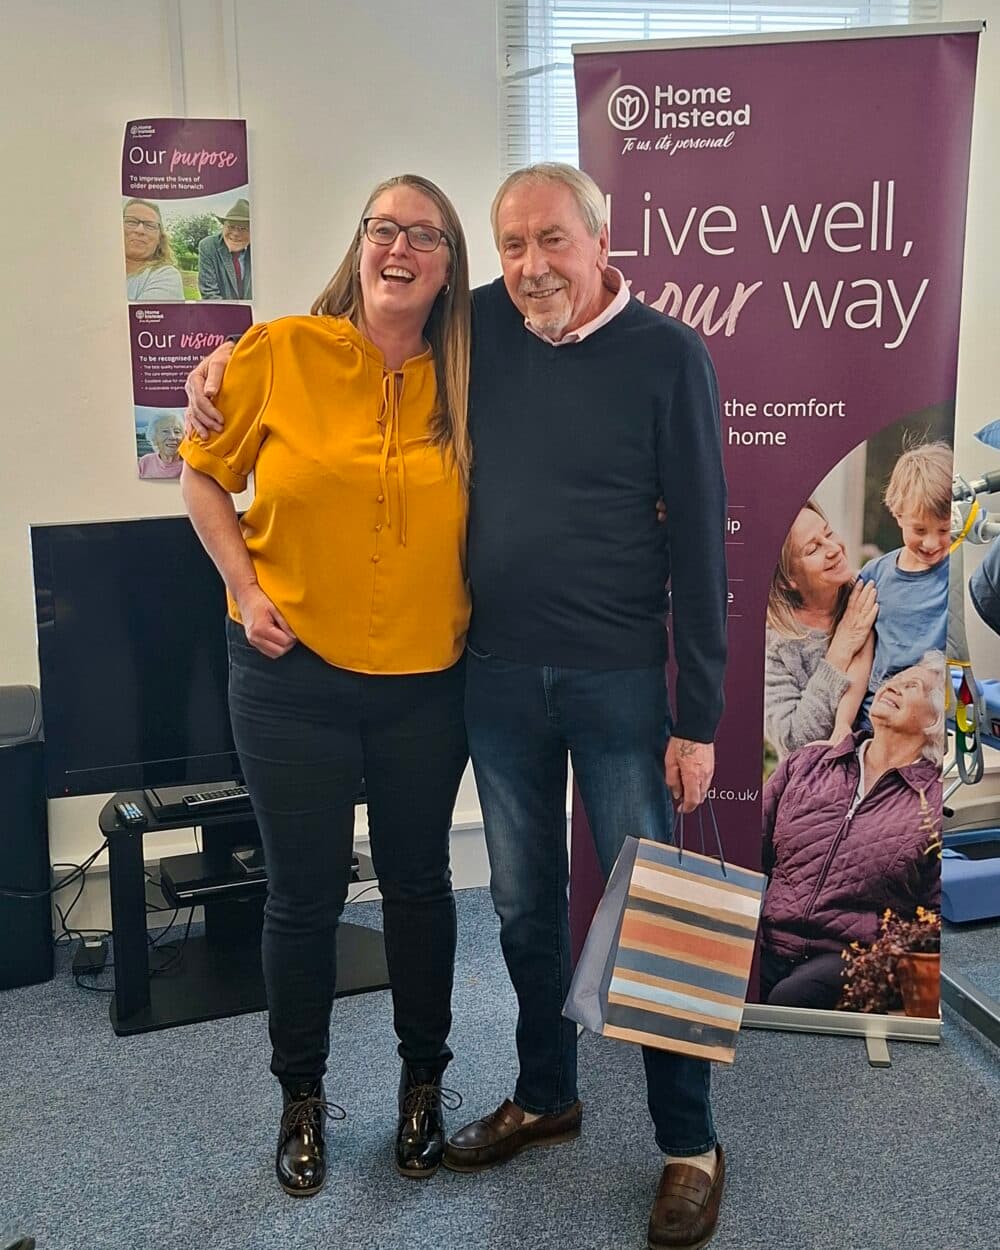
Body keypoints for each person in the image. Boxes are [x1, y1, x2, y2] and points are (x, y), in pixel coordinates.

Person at [186, 163, 730, 1250]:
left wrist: (700, 715)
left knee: (655, 911)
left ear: (600, 241)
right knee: (524, 908)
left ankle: (689, 1140)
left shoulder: (669, 354)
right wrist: (220, 365)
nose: (533, 267)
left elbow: (703, 535)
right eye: (512, 244)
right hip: (493, 671)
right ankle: (545, 1090)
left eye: (553, 242)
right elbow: (364, 313)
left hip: (619, 677)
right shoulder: (474, 331)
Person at [179, 174, 472, 1196]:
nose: (400, 247)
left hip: (426, 682)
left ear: (448, 264)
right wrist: (243, 586)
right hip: (286, 672)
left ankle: (422, 1085)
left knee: (421, 885)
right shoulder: (281, 352)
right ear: (359, 245)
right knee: (302, 895)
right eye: (383, 227)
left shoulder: (477, 374)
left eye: (423, 235)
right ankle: (300, 1096)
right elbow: (201, 472)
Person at [760, 651, 944, 1009]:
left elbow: (933, 919)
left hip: (852, 956)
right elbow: (750, 851)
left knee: (788, 999)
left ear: (935, 722)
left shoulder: (932, 802)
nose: (894, 685)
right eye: (896, 678)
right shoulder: (809, 763)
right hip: (769, 937)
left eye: (914, 686)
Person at [765, 500, 878, 759]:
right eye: (813, 548)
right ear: (787, 580)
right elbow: (794, 742)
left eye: (828, 533)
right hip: (818, 784)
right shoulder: (776, 643)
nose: (833, 549)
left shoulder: (870, 594)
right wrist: (840, 649)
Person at [857, 441, 952, 722]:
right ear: (898, 515)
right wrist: (842, 723)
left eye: (944, 529)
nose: (932, 542)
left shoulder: (958, 574)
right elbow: (860, 655)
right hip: (875, 717)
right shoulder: (874, 576)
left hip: (930, 721)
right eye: (919, 529)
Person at [123, 199, 184, 301]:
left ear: (160, 239)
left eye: (150, 225)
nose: (139, 230)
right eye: (131, 222)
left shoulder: (166, 276)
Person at [198, 198, 252, 300]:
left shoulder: (261, 248)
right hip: (221, 312)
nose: (235, 233)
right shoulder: (208, 246)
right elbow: (209, 293)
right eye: (231, 226)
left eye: (243, 228)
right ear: (223, 226)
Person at [137, 411, 184, 479]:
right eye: (165, 431)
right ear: (154, 437)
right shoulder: (145, 462)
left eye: (177, 431)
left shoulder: (190, 466)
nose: (173, 437)